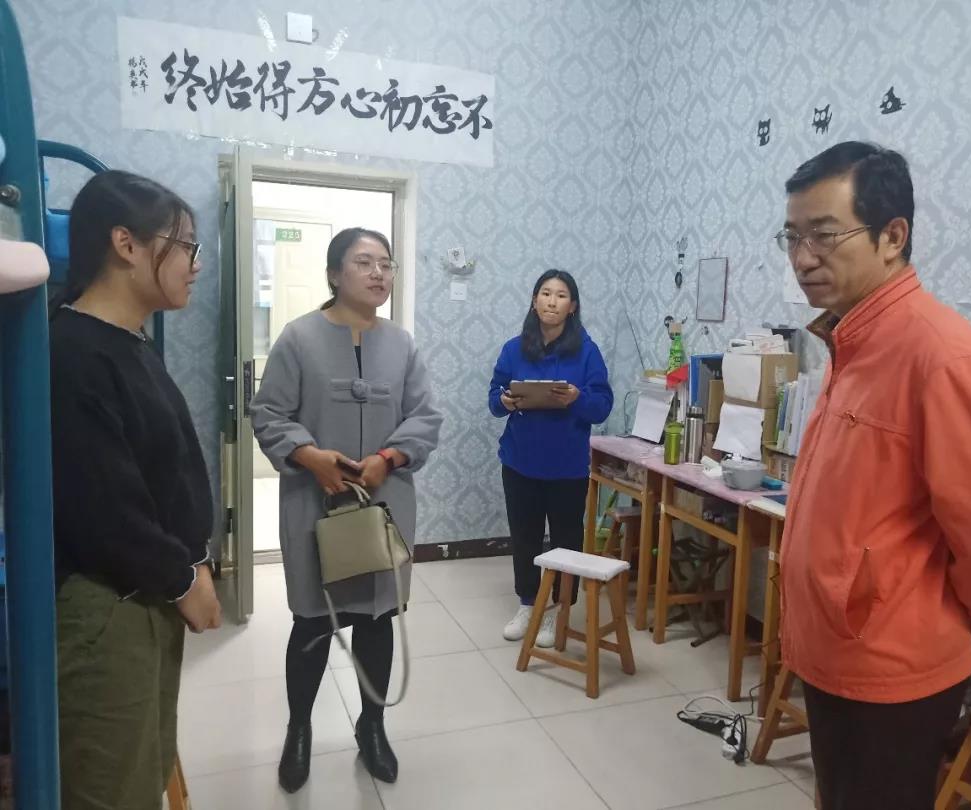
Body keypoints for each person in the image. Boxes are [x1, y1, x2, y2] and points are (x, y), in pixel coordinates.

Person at [776, 142, 971, 810]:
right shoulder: (852, 340)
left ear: (893, 236)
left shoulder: (941, 355)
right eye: (793, 237)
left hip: (890, 660)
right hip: (836, 644)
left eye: (824, 235)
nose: (803, 258)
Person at [49, 170, 221, 810]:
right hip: (108, 604)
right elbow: (103, 510)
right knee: (112, 789)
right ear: (126, 244)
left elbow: (160, 475)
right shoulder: (73, 353)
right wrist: (183, 579)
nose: (195, 264)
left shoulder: (131, 343)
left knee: (143, 770)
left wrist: (192, 564)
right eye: (186, 245)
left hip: (146, 590)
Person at [251, 227, 441, 791]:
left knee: (377, 619)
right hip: (316, 504)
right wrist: (310, 457)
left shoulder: (402, 345)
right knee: (312, 621)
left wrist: (388, 457)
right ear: (335, 274)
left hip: (383, 504)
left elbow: (425, 416)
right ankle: (300, 729)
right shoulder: (298, 338)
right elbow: (268, 414)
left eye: (386, 263)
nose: (379, 272)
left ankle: (372, 726)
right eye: (364, 262)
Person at [488, 269, 613, 646]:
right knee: (524, 536)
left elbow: (601, 406)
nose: (552, 301)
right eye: (545, 293)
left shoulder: (587, 352)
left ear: (572, 306)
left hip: (567, 466)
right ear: (534, 300)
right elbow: (494, 399)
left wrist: (576, 398)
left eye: (561, 295)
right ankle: (528, 604)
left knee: (566, 540)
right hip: (520, 461)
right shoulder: (514, 349)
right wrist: (505, 400)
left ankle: (558, 609)